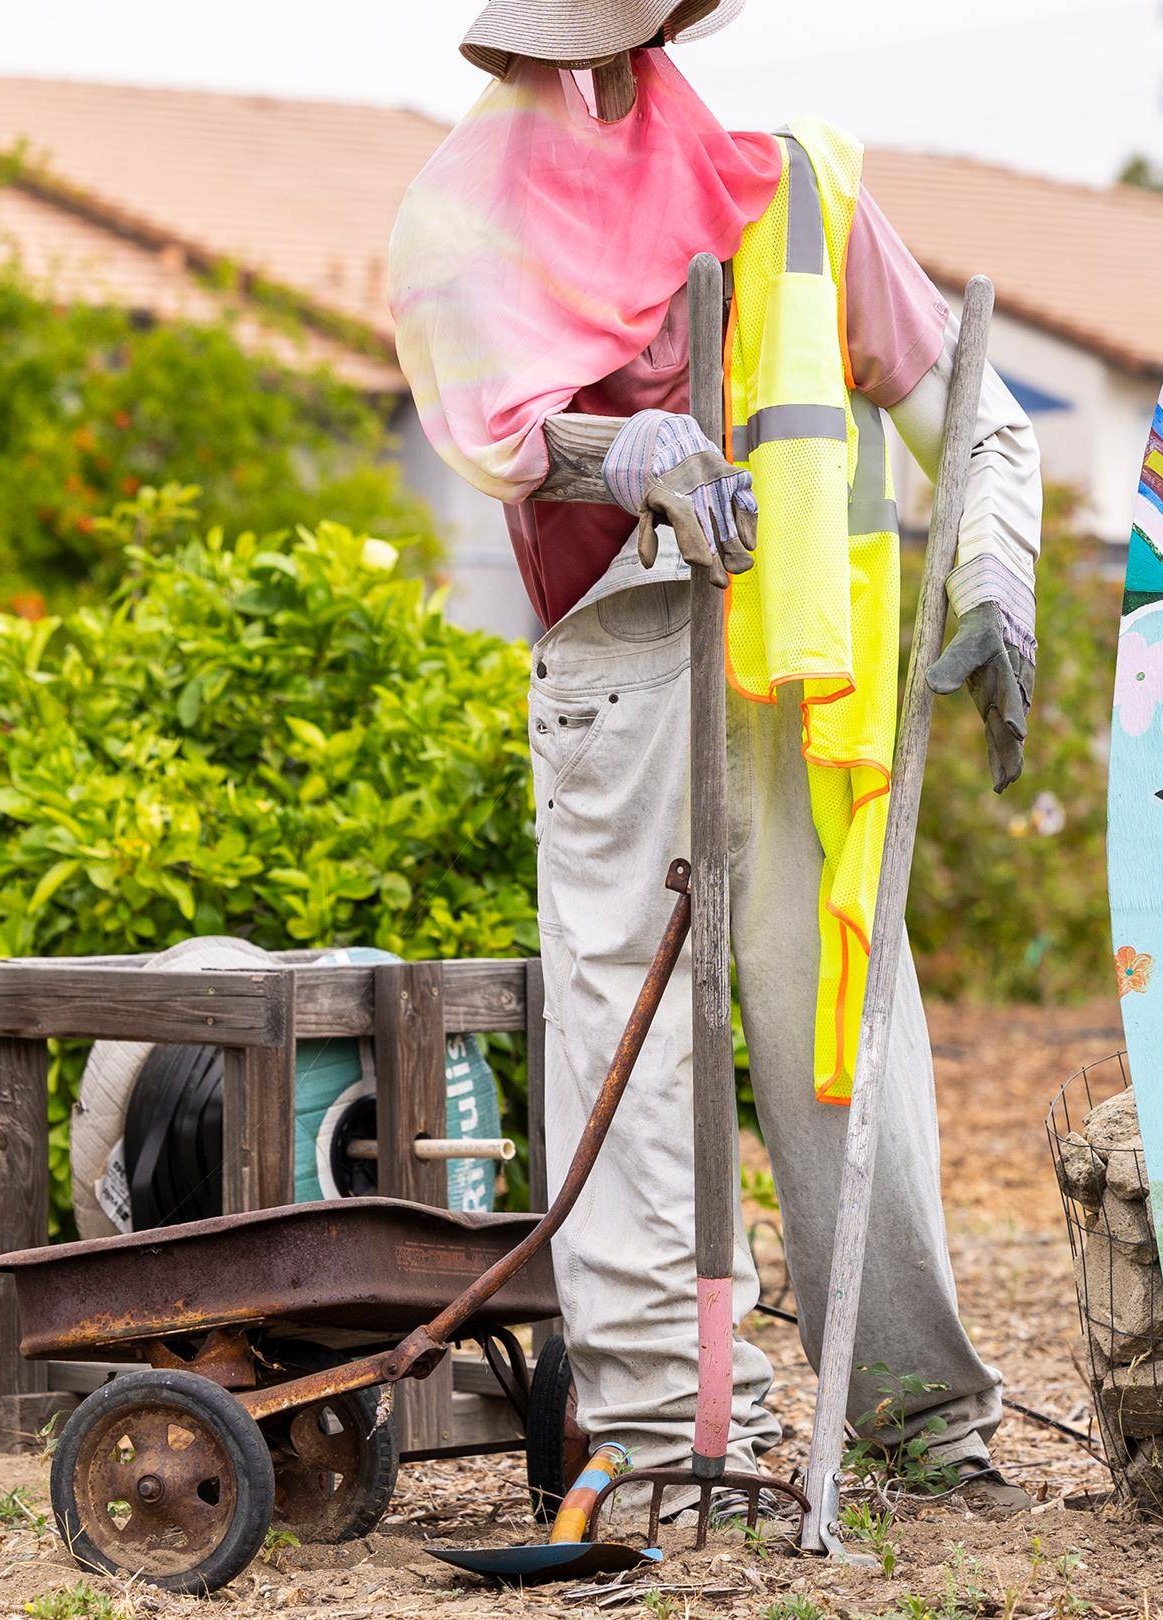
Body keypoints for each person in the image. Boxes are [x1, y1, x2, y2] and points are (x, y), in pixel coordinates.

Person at [388, 0, 1040, 1511]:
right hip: (626, 656)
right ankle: (680, 1438)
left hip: (801, 662)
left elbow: (972, 403)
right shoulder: (466, 212)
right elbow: (494, 431)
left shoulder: (789, 184)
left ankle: (919, 1419)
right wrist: (623, 451)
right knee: (633, 1043)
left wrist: (995, 569)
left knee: (844, 1022)